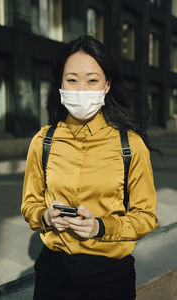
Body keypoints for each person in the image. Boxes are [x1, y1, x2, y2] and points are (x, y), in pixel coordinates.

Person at [21, 34, 158, 300]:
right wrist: (45, 218)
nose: (81, 89)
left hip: (110, 277)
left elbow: (146, 216)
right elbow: (29, 205)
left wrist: (101, 227)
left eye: (92, 80)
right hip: (53, 272)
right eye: (72, 79)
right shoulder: (43, 141)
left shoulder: (130, 144)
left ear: (107, 85)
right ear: (60, 84)